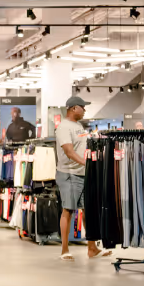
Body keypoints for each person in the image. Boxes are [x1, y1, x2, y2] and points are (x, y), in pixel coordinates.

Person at [55, 96, 111, 261]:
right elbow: (69, 152)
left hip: (82, 173)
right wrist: (88, 164)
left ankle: (92, 248)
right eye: (82, 107)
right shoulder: (64, 127)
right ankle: (64, 249)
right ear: (73, 108)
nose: (85, 110)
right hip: (69, 174)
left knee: (88, 210)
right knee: (68, 210)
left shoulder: (78, 126)